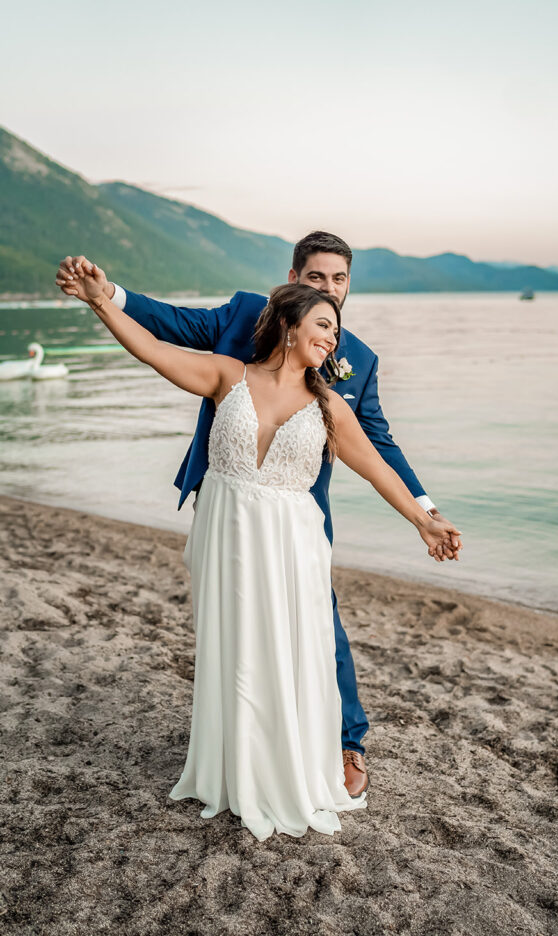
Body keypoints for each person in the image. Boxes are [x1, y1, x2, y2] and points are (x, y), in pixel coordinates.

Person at [55, 231, 462, 799]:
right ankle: (242, 750)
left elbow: (377, 456)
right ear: (293, 287)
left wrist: (425, 516)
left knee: (315, 629)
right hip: (226, 511)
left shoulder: (345, 380)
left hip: (294, 520)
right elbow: (163, 338)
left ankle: (343, 742)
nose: (331, 299)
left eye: (339, 281)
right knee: (237, 636)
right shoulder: (236, 350)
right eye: (318, 282)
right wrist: (105, 298)